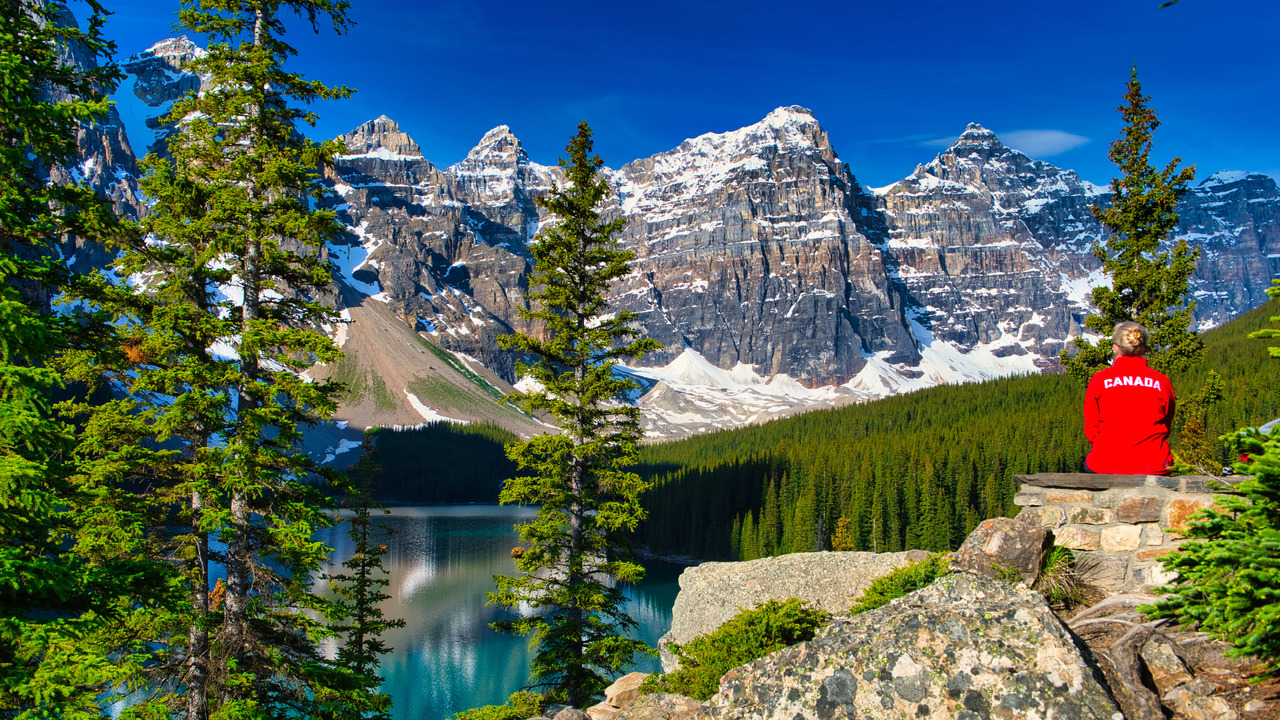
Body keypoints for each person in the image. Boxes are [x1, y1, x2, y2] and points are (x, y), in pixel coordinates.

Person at [1083, 322, 1176, 475]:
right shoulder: (1161, 381)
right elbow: (1167, 422)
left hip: (1105, 463)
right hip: (1154, 464)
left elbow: (1091, 430)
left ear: (1115, 348)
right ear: (1145, 349)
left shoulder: (1100, 380)